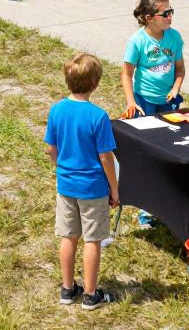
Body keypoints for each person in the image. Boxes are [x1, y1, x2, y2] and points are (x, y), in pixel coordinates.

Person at [43, 52, 118, 310]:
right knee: (92, 239)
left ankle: (66, 289)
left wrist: (61, 168)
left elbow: (50, 149)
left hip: (66, 186)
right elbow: (106, 158)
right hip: (93, 188)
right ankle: (90, 294)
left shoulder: (57, 110)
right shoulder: (98, 117)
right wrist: (114, 189)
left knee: (68, 236)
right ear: (95, 83)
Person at [121, 0, 184, 117]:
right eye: (165, 14)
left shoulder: (174, 37)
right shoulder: (137, 41)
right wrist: (131, 102)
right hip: (144, 99)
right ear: (149, 18)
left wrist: (176, 88)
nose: (170, 17)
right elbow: (126, 74)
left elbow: (180, 69)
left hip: (167, 99)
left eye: (171, 11)